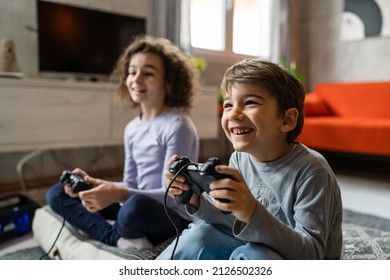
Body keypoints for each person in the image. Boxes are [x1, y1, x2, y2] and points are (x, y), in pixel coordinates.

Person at [157, 58, 343, 260]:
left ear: (287, 119)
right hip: (252, 243)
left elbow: (311, 255)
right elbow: (232, 222)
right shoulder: (239, 158)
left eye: (250, 102)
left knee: (255, 255)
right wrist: (194, 198)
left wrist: (250, 211)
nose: (234, 113)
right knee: (199, 236)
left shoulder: (313, 172)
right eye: (228, 105)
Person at [46, 35, 200, 251]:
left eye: (147, 73)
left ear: (168, 81)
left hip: (168, 214)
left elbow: (174, 197)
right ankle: (116, 238)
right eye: (132, 72)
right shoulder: (132, 128)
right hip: (134, 201)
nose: (136, 79)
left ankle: (110, 230)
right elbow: (130, 182)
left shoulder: (178, 125)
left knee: (134, 208)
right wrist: (95, 183)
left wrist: (120, 194)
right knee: (58, 193)